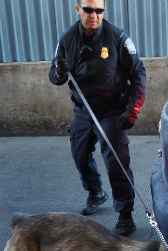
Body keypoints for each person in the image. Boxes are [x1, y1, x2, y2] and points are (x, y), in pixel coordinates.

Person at [49, 0, 146, 236]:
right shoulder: (67, 39)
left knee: (116, 160)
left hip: (112, 110)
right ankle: (95, 192)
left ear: (104, 11)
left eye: (99, 10)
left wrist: (133, 108)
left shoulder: (117, 38)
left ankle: (125, 215)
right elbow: (54, 76)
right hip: (83, 110)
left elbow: (138, 72)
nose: (94, 15)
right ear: (78, 9)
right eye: (89, 10)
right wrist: (60, 70)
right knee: (79, 153)